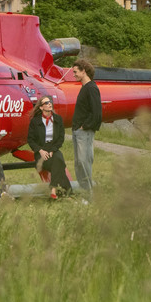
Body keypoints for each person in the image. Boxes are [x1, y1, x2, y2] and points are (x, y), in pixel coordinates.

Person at [27, 96, 74, 198]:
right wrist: (40, 150)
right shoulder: (35, 121)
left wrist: (52, 150)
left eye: (50, 102)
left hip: (54, 148)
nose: (49, 104)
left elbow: (61, 138)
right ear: (41, 107)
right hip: (41, 151)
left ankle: (53, 189)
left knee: (58, 160)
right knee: (59, 165)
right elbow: (30, 140)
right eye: (46, 103)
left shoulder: (58, 119)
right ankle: (69, 195)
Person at [71, 58, 101, 197]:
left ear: (84, 71)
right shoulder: (84, 88)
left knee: (84, 162)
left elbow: (97, 113)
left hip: (85, 132)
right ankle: (84, 195)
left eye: (76, 72)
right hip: (77, 131)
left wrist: (85, 126)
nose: (74, 74)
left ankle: (89, 197)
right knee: (78, 164)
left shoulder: (92, 88)